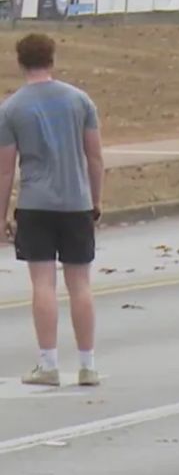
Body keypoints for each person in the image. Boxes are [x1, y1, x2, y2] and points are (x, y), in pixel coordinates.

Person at [0, 33, 104, 387]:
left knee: (42, 283)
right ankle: (88, 364)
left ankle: (48, 364)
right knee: (80, 284)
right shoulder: (80, 101)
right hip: (76, 203)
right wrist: (96, 200)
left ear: (20, 62)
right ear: (52, 59)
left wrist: (2, 214)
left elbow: (5, 169)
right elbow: (94, 155)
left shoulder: (12, 108)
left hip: (35, 204)